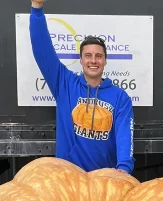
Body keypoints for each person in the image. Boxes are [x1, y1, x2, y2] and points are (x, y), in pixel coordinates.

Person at [29, 0, 135, 174]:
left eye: (98, 56)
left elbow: (125, 137)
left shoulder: (120, 97)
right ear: (81, 60)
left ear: (105, 61)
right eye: (88, 55)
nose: (93, 60)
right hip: (69, 178)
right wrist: (37, 9)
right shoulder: (64, 84)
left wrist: (123, 169)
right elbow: (43, 50)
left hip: (104, 179)